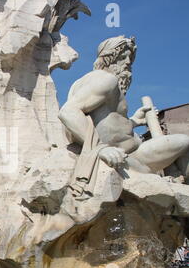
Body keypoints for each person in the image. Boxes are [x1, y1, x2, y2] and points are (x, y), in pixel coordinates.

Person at [58, 36, 189, 196]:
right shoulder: (105, 79)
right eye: (122, 57)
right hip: (123, 157)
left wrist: (133, 121)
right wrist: (100, 149)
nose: (127, 62)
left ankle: (176, 180)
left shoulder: (100, 82)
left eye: (130, 58)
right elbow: (68, 112)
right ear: (108, 57)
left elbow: (107, 123)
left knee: (182, 142)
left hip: (131, 152)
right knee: (184, 143)